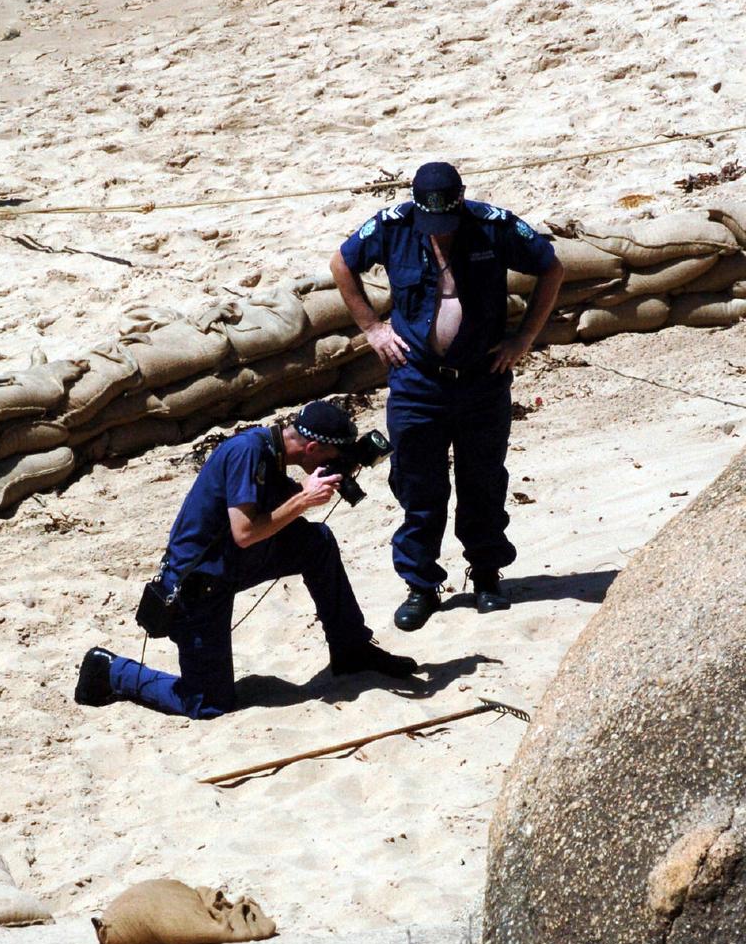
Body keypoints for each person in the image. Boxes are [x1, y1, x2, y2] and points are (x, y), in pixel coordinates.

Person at [330, 161, 563, 632]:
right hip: (417, 381)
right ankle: (421, 584)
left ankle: (486, 574)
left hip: (481, 379)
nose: (441, 235)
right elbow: (341, 263)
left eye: (448, 225)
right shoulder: (393, 226)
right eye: (432, 227)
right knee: (418, 484)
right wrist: (374, 329)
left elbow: (551, 267)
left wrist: (525, 337)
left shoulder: (492, 225)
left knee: (482, 479)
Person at [74, 401, 417, 719]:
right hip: (198, 584)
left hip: (236, 562)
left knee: (317, 543)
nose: (331, 466)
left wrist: (304, 490)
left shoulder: (272, 449)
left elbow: (265, 513)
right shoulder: (247, 452)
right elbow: (245, 531)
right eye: (332, 458)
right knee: (208, 704)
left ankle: (351, 649)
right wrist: (304, 500)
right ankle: (111, 670)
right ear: (312, 448)